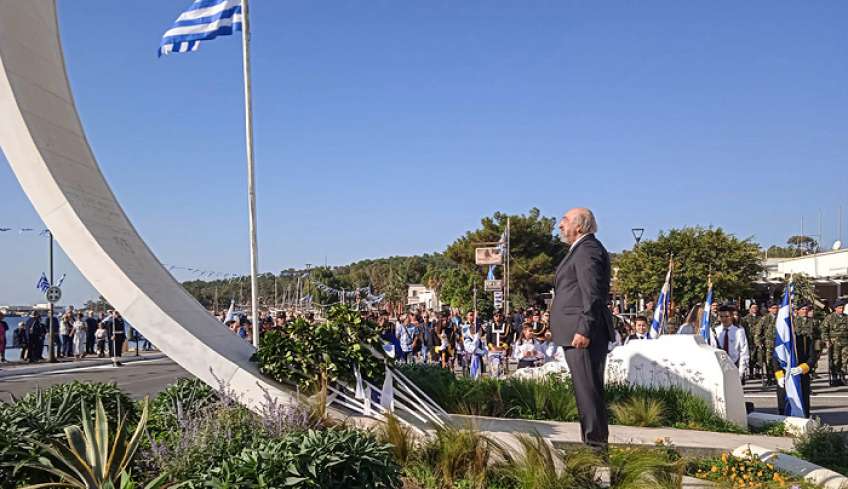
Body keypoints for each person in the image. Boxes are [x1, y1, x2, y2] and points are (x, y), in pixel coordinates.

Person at [551, 207, 615, 451]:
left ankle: (595, 450)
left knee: (589, 393)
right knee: (584, 391)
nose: (560, 225)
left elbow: (593, 294)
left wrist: (584, 329)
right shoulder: (579, 250)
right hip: (576, 331)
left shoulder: (587, 251)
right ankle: (592, 445)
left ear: (579, 226)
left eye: (564, 220)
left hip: (584, 334)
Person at [773, 307, 818, 418]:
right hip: (785, 376)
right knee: (784, 406)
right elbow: (775, 359)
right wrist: (779, 376)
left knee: (802, 404)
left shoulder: (805, 339)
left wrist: (802, 368)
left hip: (800, 376)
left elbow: (812, 358)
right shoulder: (781, 343)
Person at [713, 305, 750, 381]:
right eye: (721, 316)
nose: (724, 319)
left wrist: (741, 370)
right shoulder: (715, 331)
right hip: (719, 366)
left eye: (727, 316)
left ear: (732, 316)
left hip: (734, 365)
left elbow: (744, 351)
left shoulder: (739, 331)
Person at [822, 298, 847, 386]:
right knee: (835, 360)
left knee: (844, 360)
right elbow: (824, 330)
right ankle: (835, 377)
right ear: (835, 308)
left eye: (843, 308)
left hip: (845, 343)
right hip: (834, 343)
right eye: (840, 308)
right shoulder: (830, 317)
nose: (842, 309)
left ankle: (842, 376)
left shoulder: (846, 317)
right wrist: (827, 341)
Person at [755, 302, 779, 386]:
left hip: (778, 344)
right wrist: (758, 343)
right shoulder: (764, 319)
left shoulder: (781, 318)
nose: (775, 310)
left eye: (776, 308)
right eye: (773, 308)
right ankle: (769, 378)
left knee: (778, 362)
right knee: (768, 362)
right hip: (768, 344)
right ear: (769, 309)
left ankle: (777, 378)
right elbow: (758, 332)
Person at [741, 303, 761, 379]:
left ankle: (757, 372)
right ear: (749, 309)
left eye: (756, 308)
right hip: (749, 340)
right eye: (753, 308)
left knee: (759, 356)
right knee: (750, 357)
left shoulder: (760, 318)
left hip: (758, 340)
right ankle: (751, 373)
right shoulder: (745, 319)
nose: (754, 309)